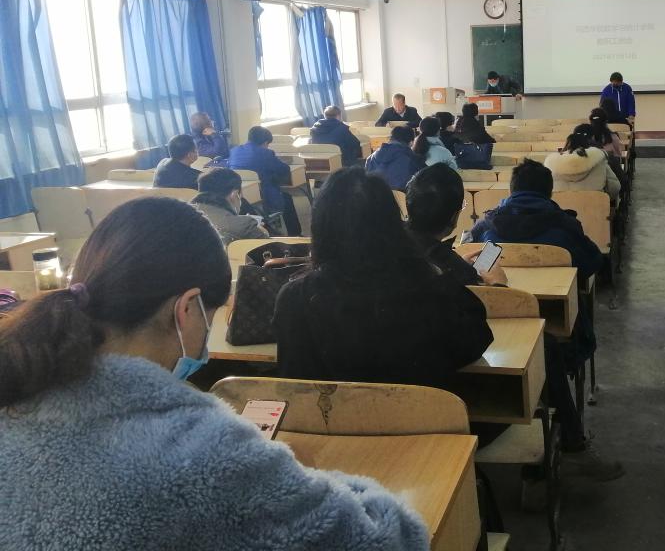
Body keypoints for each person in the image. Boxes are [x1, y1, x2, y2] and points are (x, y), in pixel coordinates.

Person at [0, 197, 428, 551]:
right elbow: (386, 540)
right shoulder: (202, 449)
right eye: (213, 315)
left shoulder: (20, 394)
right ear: (186, 310)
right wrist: (308, 480)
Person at [404, 165, 624, 481]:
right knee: (542, 347)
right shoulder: (565, 224)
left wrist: (459, 267)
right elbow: (476, 331)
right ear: (454, 215)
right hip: (447, 406)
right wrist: (498, 287)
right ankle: (571, 444)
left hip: (395, 400)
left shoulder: (412, 250)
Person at [273, 168, 493, 393]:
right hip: (416, 415)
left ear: (319, 227)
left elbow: (293, 385)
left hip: (328, 415)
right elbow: (477, 338)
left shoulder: (294, 298)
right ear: (393, 224)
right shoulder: (427, 288)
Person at [470, 160, 603, 281]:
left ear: (511, 190)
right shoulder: (566, 225)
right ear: (550, 193)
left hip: (499, 296)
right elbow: (591, 263)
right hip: (556, 297)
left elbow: (472, 265)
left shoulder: (485, 226)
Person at [228, 126, 301, 236]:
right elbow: (284, 169)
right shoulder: (266, 153)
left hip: (242, 197)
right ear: (265, 142)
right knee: (287, 197)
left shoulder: (234, 151)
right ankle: (295, 234)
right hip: (265, 198)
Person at [190, 167, 270, 246]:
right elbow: (271, 250)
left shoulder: (184, 217)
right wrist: (263, 231)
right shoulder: (245, 226)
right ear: (234, 194)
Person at [545, 130, 620, 203]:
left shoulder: (552, 164)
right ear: (587, 144)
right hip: (594, 206)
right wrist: (605, 199)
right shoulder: (599, 161)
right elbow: (614, 187)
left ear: (567, 144)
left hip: (560, 208)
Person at [363, 126, 426, 190]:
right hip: (402, 195)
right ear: (411, 142)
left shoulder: (370, 158)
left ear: (391, 138)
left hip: (376, 194)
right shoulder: (412, 158)